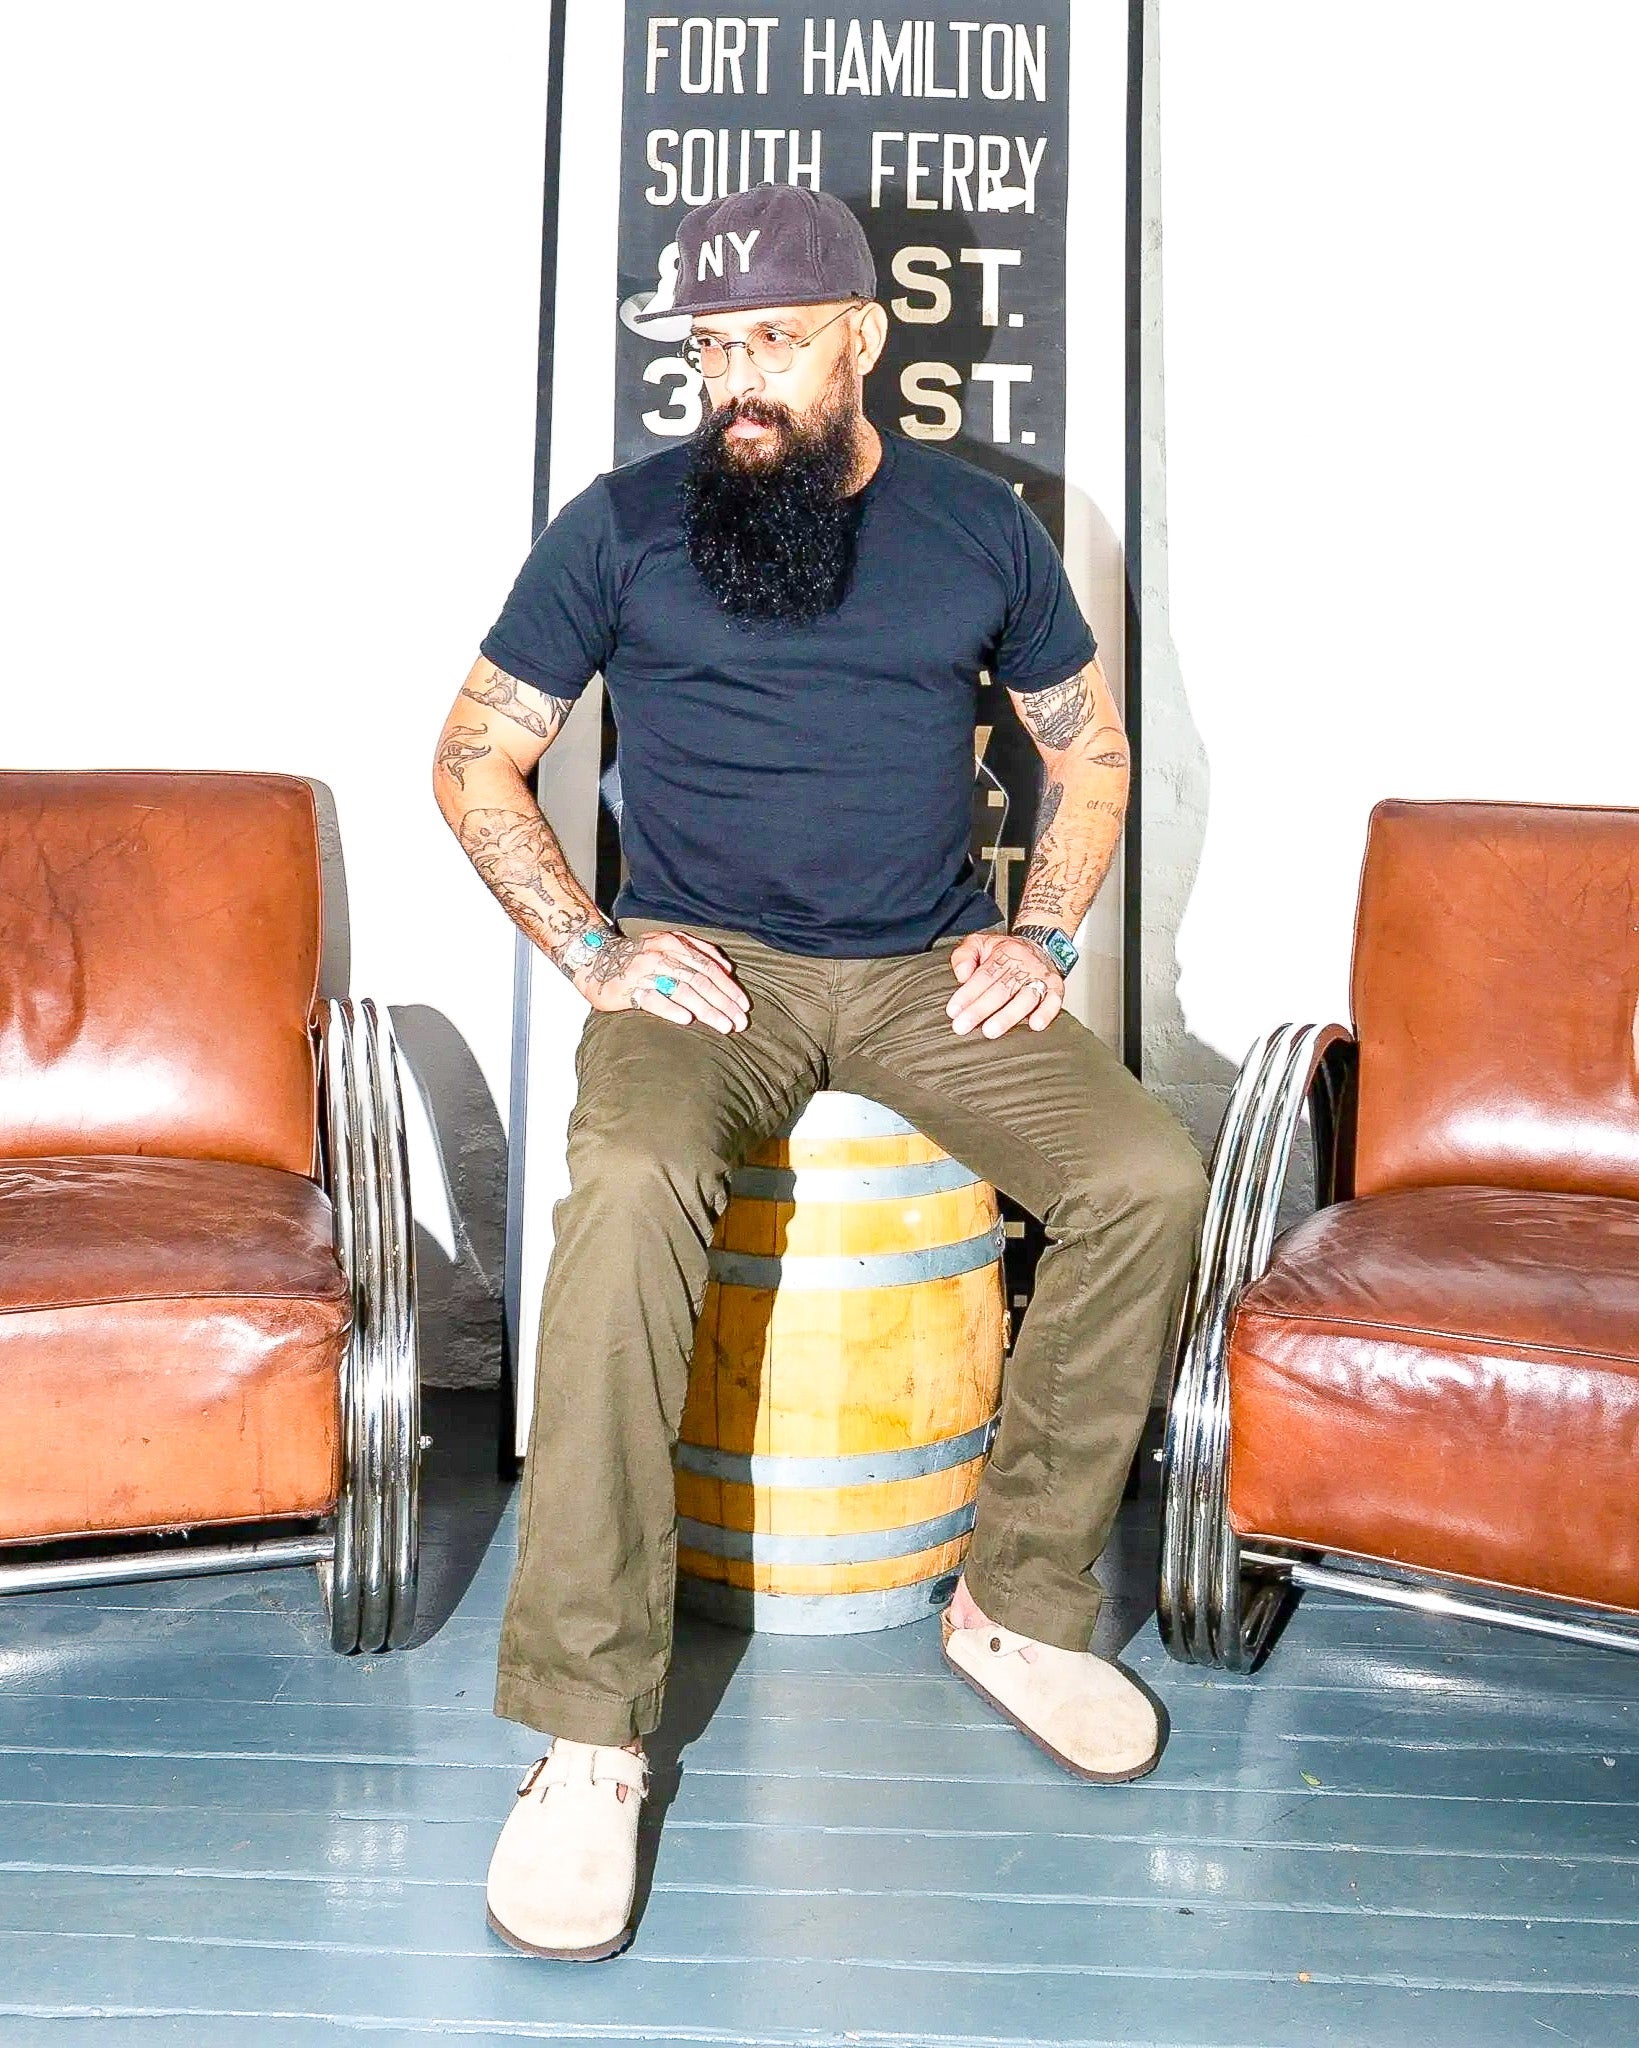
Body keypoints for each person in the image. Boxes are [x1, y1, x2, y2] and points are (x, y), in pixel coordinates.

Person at [433, 181, 1207, 1963]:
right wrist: (596, 950)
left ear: (863, 336)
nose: (737, 381)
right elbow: (475, 754)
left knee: (1146, 1177)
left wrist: (1046, 935)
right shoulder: (621, 524)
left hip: (927, 967)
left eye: (773, 340)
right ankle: (587, 1730)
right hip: (708, 975)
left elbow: (1091, 753)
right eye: (710, 348)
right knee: (629, 1191)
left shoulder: (982, 528)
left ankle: (1016, 1605)